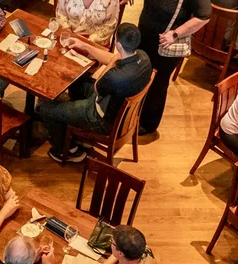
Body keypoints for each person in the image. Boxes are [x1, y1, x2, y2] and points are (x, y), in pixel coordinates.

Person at [38, 24, 153, 163]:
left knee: (45, 109)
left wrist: (113, 61)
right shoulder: (144, 58)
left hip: (101, 119)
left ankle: (67, 151)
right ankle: (75, 128)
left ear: (118, 45)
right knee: (77, 81)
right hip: (117, 109)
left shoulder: (115, 77)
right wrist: (85, 46)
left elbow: (98, 86)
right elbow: (111, 57)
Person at [135, 0, 210, 135]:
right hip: (145, 36)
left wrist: (176, 34)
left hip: (165, 45)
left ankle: (147, 124)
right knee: (140, 76)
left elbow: (204, 16)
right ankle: (133, 114)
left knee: (158, 83)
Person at [55, 0, 122, 45]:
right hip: (67, 37)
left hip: (94, 44)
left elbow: (109, 27)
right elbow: (60, 12)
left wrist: (87, 42)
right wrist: (67, 30)